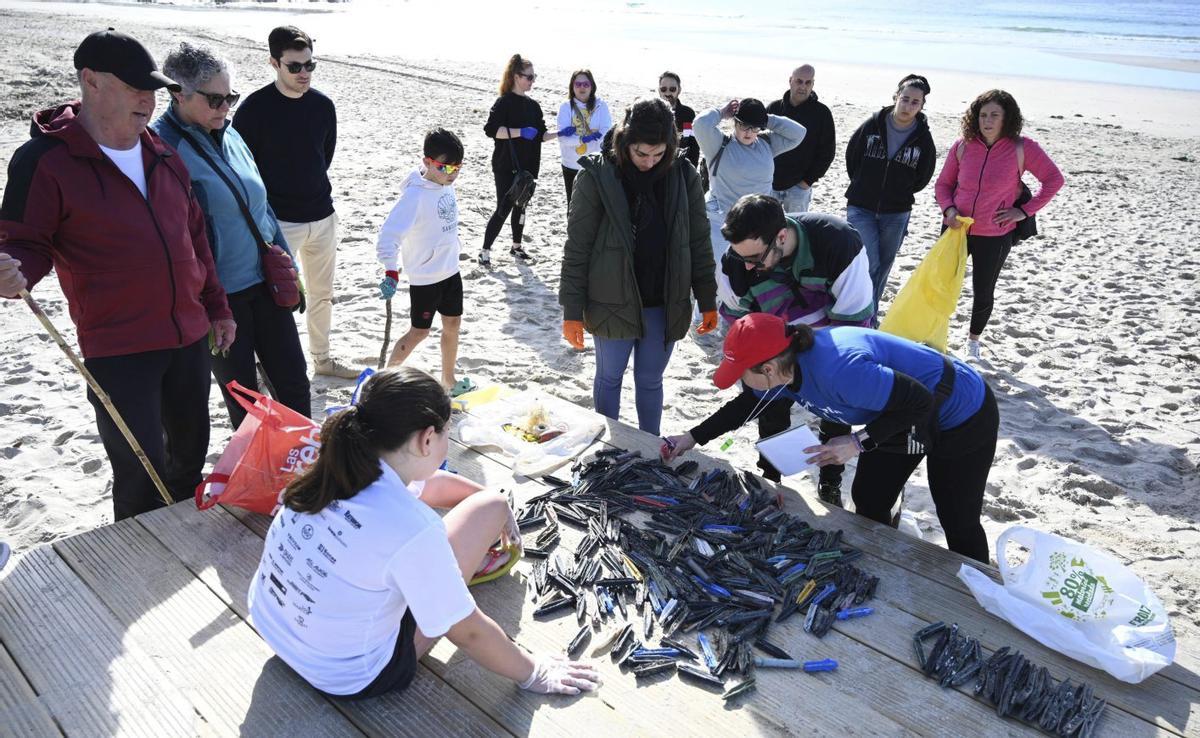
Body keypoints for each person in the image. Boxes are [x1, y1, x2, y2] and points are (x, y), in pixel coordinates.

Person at [248, 367, 602, 699]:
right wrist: (533, 672)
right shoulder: (413, 528)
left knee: (491, 504)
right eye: (448, 431)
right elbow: (466, 630)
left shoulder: (335, 468)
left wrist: (494, 503)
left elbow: (425, 485)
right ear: (427, 439)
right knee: (483, 518)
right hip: (351, 675)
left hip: (276, 632)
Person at [0, 29, 233, 520]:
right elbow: (23, 243)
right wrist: (13, 272)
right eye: (134, 88)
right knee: (138, 470)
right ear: (91, 81)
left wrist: (217, 307)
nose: (148, 100)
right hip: (119, 348)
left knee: (189, 461)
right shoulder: (45, 161)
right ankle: (134, 567)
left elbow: (195, 241)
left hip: (187, 337)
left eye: (152, 90)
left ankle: (181, 553)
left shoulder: (165, 154)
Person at [711, 313, 998, 563]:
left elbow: (920, 402)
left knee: (957, 519)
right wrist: (690, 438)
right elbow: (746, 405)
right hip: (896, 412)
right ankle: (887, 567)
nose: (739, 381)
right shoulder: (783, 368)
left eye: (740, 374)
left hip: (962, 412)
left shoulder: (840, 369)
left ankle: (983, 603)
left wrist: (855, 442)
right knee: (869, 498)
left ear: (768, 369)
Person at [662, 194, 874, 503]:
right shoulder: (735, 264)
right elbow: (739, 329)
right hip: (774, 341)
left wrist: (808, 364)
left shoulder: (838, 243)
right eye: (740, 257)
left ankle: (829, 482)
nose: (747, 267)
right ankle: (771, 473)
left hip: (836, 335)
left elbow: (852, 329)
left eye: (755, 259)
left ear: (782, 236)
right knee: (767, 404)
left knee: (835, 406)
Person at [154, 42, 311, 429]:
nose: (226, 108)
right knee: (245, 401)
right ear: (178, 94)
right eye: (215, 100)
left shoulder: (229, 131)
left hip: (266, 284)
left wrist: (288, 263)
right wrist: (207, 303)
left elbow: (262, 207)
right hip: (220, 299)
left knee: (294, 385)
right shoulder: (160, 149)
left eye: (231, 98)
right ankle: (256, 479)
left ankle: (302, 470)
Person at [559, 98, 718, 435]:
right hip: (610, 300)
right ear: (625, 142)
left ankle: (650, 445)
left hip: (665, 300)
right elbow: (577, 249)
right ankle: (610, 445)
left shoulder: (684, 176)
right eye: (641, 154)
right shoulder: (596, 177)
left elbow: (699, 241)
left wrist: (706, 297)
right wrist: (571, 310)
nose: (649, 162)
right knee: (609, 377)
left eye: (659, 154)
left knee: (649, 380)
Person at [233, 26, 357, 379]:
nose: (304, 74)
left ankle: (323, 360)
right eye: (294, 67)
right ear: (274, 63)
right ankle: (271, 369)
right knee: (277, 301)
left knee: (322, 296)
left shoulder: (323, 106)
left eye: (310, 66)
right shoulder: (253, 109)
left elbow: (323, 157)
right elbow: (243, 168)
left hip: (322, 215)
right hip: (277, 222)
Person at [935, 89, 1063, 360]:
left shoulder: (1022, 147)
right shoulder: (963, 145)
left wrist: (1023, 211)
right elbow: (943, 184)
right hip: (956, 230)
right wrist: (948, 210)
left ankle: (973, 342)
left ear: (1007, 118)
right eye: (982, 115)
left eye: (994, 115)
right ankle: (933, 333)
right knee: (940, 284)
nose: (987, 120)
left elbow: (1054, 180)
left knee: (983, 290)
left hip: (995, 234)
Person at [377, 128, 472, 396]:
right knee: (419, 332)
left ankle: (449, 380)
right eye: (445, 167)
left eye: (458, 168)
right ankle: (383, 380)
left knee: (453, 325)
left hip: (450, 271)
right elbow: (388, 236)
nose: (452, 174)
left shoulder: (445, 185)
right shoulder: (414, 197)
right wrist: (391, 271)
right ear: (427, 162)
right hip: (426, 278)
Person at [693, 98, 806, 311]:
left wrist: (766, 118)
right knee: (719, 273)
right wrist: (722, 111)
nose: (748, 132)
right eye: (744, 125)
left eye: (754, 127)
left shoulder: (767, 144)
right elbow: (700, 124)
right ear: (735, 123)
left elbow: (798, 133)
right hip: (721, 221)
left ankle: (743, 315)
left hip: (759, 223)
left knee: (758, 271)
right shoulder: (719, 144)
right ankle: (704, 318)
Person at [845, 74, 937, 310]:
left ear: (922, 106)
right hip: (861, 207)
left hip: (896, 212)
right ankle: (862, 310)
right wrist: (862, 185)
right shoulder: (872, 125)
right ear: (896, 97)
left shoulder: (923, 138)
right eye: (905, 99)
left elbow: (923, 175)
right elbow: (852, 157)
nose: (908, 106)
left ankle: (870, 314)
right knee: (869, 262)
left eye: (915, 102)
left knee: (884, 265)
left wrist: (900, 191)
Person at [479, 54, 565, 267]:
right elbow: (491, 130)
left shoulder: (534, 106)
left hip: (528, 166)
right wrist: (519, 132)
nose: (532, 81)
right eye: (529, 77)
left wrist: (561, 133)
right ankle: (485, 251)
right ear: (516, 77)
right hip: (506, 165)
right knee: (504, 206)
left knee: (521, 206)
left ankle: (516, 247)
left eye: (534, 77)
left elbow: (541, 135)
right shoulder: (504, 102)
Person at [766, 64, 835, 213]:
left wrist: (807, 181)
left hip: (799, 188)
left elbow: (827, 153)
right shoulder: (774, 108)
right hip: (769, 184)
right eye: (799, 81)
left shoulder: (822, 113)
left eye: (808, 82)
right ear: (790, 80)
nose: (803, 86)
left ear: (813, 84)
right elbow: (759, 142)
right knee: (765, 231)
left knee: (795, 232)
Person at [556, 69, 612, 205]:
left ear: (592, 86)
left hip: (595, 165)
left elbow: (606, 131)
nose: (582, 87)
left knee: (594, 205)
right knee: (573, 204)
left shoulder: (601, 105)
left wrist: (596, 137)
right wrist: (582, 139)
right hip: (571, 164)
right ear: (572, 86)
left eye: (586, 84)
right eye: (578, 84)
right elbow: (562, 138)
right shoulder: (565, 107)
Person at [657, 71, 699, 167]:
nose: (667, 93)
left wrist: (691, 170)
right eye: (663, 89)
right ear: (659, 90)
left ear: (679, 90)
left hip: (679, 166)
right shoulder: (651, 112)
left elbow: (693, 144)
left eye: (672, 89)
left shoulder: (688, 114)